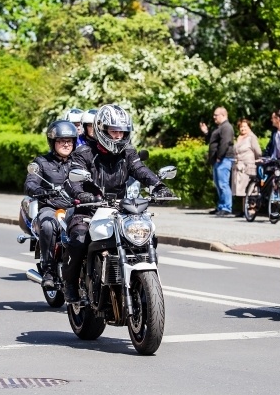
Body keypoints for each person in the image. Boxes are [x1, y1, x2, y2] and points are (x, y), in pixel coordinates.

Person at [62, 104, 175, 303]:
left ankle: (143, 282)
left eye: (121, 132)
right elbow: (73, 178)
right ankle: (70, 283)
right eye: (113, 131)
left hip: (119, 209)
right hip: (88, 209)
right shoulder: (84, 153)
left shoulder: (128, 153)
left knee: (146, 235)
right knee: (79, 240)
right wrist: (83, 195)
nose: (117, 136)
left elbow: (141, 170)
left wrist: (158, 187)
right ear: (102, 129)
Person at [23, 120, 77, 288]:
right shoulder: (41, 162)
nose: (66, 144)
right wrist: (39, 191)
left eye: (69, 141)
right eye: (62, 141)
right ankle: (49, 270)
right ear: (53, 142)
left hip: (76, 207)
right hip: (51, 206)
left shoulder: (79, 161)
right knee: (47, 225)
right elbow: (30, 183)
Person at [200, 106, 235, 216]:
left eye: (216, 115)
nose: (214, 117)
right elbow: (213, 141)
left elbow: (225, 143)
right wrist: (206, 133)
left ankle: (227, 208)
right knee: (219, 184)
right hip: (218, 160)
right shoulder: (220, 127)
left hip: (224, 159)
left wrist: (219, 156)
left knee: (223, 184)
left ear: (223, 115)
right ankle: (221, 206)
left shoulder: (227, 127)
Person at [231, 118, 262, 214]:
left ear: (249, 127)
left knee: (250, 188)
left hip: (248, 166)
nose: (242, 128)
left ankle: (251, 209)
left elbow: (258, 152)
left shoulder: (252, 137)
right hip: (239, 166)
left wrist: (256, 161)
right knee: (242, 190)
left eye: (244, 126)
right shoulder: (239, 137)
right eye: (241, 127)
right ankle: (243, 209)